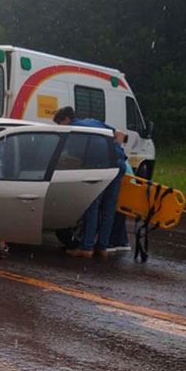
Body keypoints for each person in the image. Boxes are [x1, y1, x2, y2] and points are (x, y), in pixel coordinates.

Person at [53, 106, 127, 259]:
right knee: (108, 208)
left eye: (60, 124)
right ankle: (102, 247)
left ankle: (86, 248)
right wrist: (112, 153)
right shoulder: (93, 122)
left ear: (66, 120)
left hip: (100, 167)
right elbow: (120, 134)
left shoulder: (74, 130)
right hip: (119, 164)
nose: (60, 128)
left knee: (92, 206)